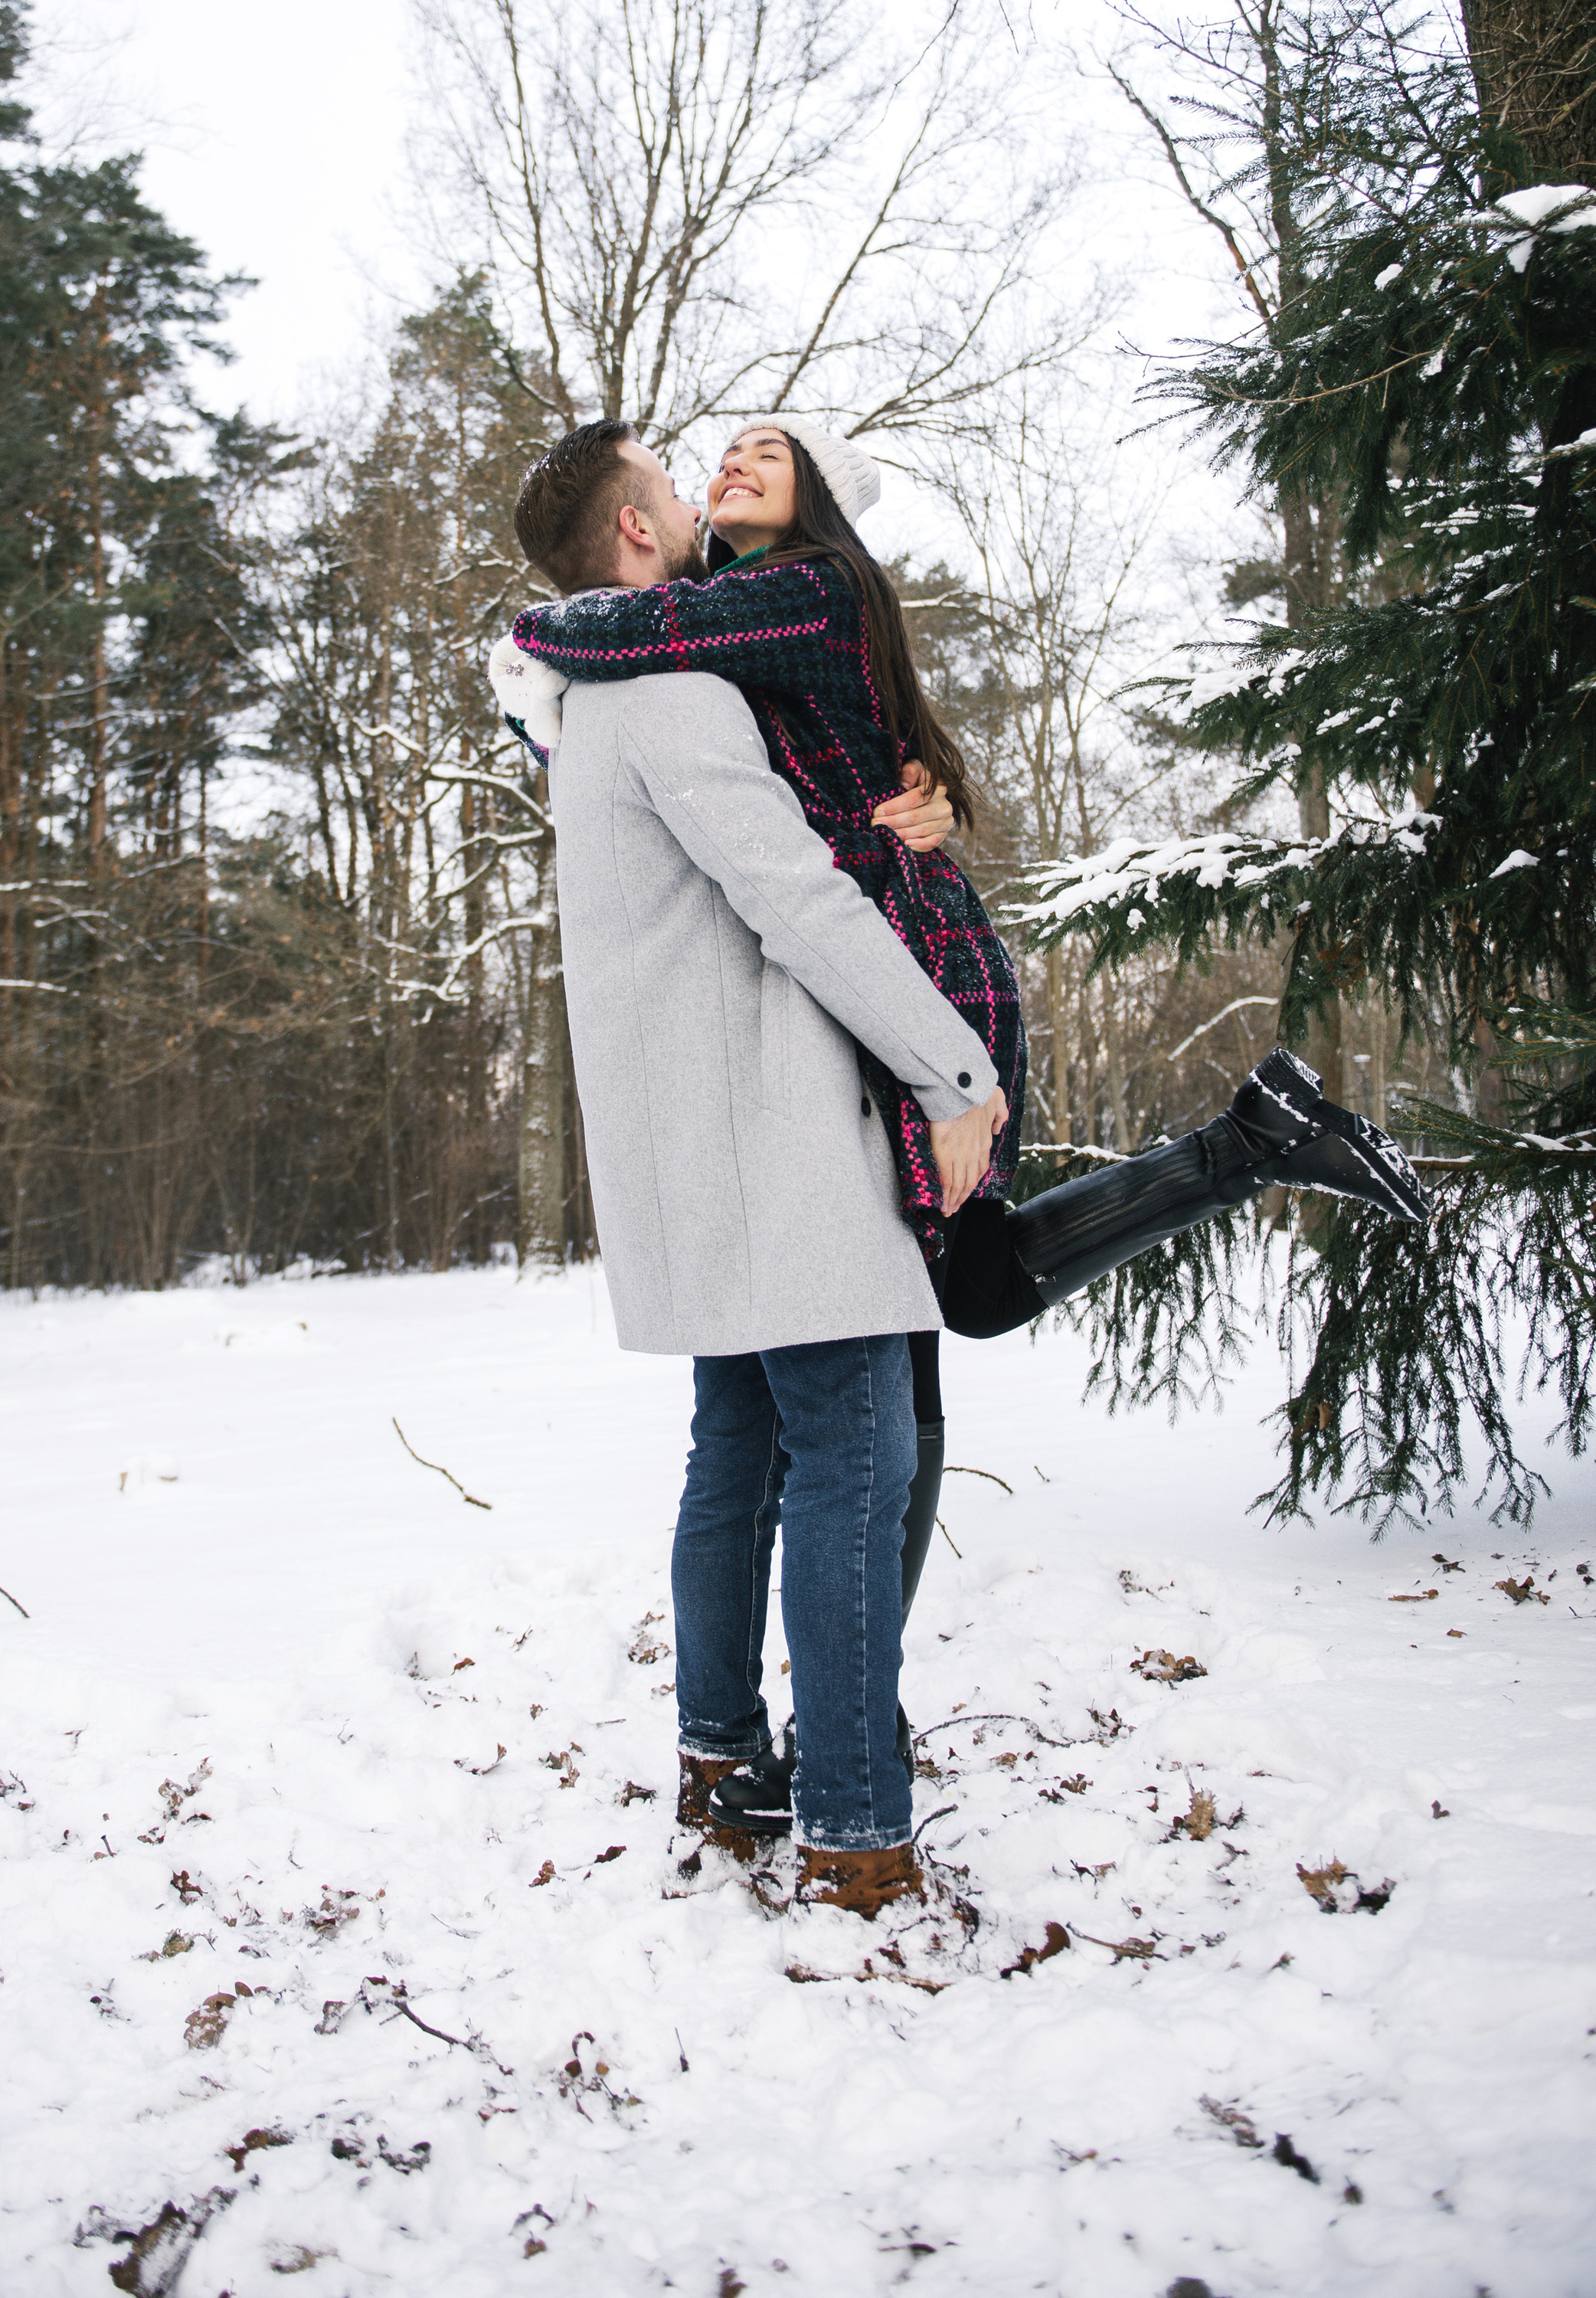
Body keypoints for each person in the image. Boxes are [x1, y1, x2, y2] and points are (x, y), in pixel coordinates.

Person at [494, 420, 1427, 1913]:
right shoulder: (665, 691)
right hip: (773, 1139)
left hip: (699, 1147)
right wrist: (949, 1067)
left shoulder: (593, 706)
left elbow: (821, 750)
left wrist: (915, 790)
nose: (691, 490)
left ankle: (721, 1765)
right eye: (670, 484)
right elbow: (794, 898)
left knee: (735, 1454)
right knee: (858, 1458)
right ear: (633, 535)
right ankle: (854, 1830)